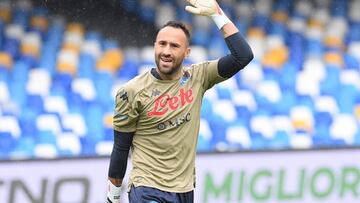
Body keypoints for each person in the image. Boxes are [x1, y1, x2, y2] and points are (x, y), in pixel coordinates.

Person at [107, 0, 253, 202]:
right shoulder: (131, 91)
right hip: (146, 187)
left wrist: (217, 14)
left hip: (184, 190)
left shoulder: (199, 77)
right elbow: (121, 148)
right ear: (155, 46)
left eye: (174, 46)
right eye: (162, 44)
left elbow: (242, 56)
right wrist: (113, 197)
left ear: (187, 53)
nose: (166, 51)